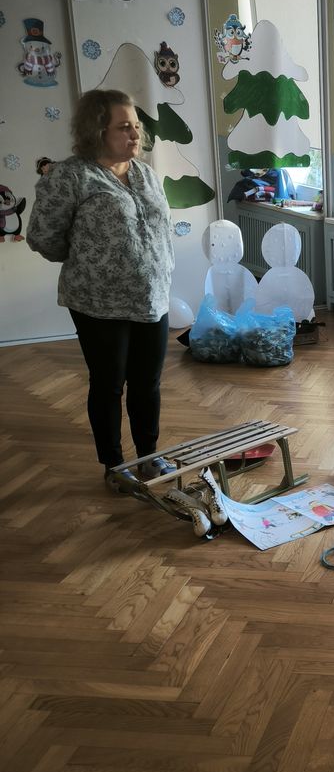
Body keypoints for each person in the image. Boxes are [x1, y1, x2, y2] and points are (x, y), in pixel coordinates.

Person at [26, 89, 176, 489]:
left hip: (152, 297)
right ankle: (114, 465)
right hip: (97, 303)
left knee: (147, 383)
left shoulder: (145, 173)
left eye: (136, 126)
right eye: (124, 127)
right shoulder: (70, 176)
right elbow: (43, 235)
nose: (135, 135)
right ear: (97, 131)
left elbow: (160, 229)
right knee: (109, 384)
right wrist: (90, 262)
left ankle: (149, 457)